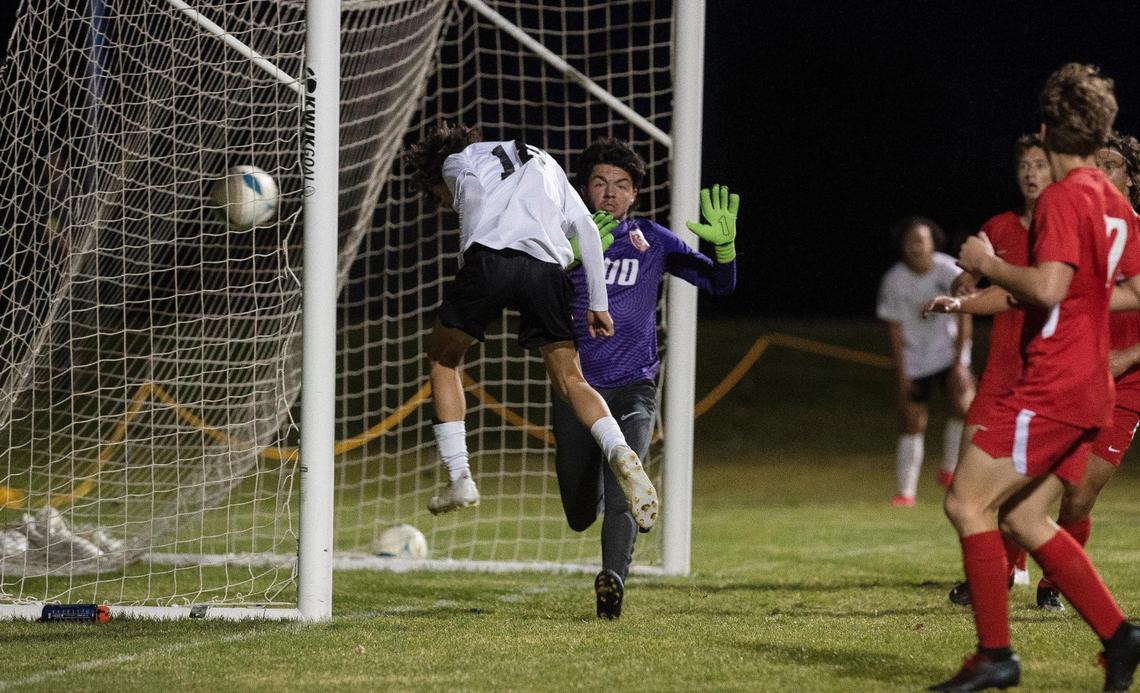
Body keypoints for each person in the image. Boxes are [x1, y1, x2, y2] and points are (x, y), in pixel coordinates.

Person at [930, 63, 1140, 692]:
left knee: (966, 501)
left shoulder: (1061, 197)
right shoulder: (1112, 200)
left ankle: (995, 654)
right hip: (1091, 386)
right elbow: (1131, 287)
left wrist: (988, 263)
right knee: (1023, 518)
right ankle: (1120, 636)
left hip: (1054, 383)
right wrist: (1084, 304)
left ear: (1047, 129)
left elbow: (1047, 287)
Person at [403, 124, 658, 533]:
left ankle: (460, 478)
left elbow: (470, 194)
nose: (443, 202)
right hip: (547, 271)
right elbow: (589, 230)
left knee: (443, 356)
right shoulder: (545, 160)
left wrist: (474, 254)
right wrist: (598, 304)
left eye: (437, 196)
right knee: (571, 378)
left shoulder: (458, 161)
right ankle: (619, 450)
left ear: (435, 175)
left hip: (490, 260)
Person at [551, 138, 737, 619]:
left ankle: (612, 580)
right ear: (583, 189)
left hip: (634, 384)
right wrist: (566, 255)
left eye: (622, 185)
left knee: (626, 484)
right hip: (575, 389)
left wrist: (725, 247)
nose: (610, 193)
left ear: (635, 194)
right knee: (577, 512)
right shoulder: (559, 237)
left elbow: (720, 283)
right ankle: (592, 500)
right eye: (599, 182)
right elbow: (528, 298)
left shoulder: (651, 239)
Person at [923, 134, 1051, 603]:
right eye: (1024, 165)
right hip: (999, 374)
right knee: (964, 489)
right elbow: (971, 276)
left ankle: (1022, 576)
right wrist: (964, 281)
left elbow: (1032, 290)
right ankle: (998, 571)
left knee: (1025, 495)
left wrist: (979, 282)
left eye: (1040, 163)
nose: (1031, 173)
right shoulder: (999, 224)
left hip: (1046, 374)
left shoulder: (1062, 229)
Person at [876, 216, 974, 507]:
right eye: (909, 242)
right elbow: (894, 329)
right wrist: (902, 373)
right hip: (915, 359)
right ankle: (906, 493)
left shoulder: (948, 270)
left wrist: (959, 362)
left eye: (920, 240)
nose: (915, 247)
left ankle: (950, 469)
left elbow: (965, 311)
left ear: (933, 242)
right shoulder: (894, 280)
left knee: (966, 407)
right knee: (912, 421)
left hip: (949, 354)